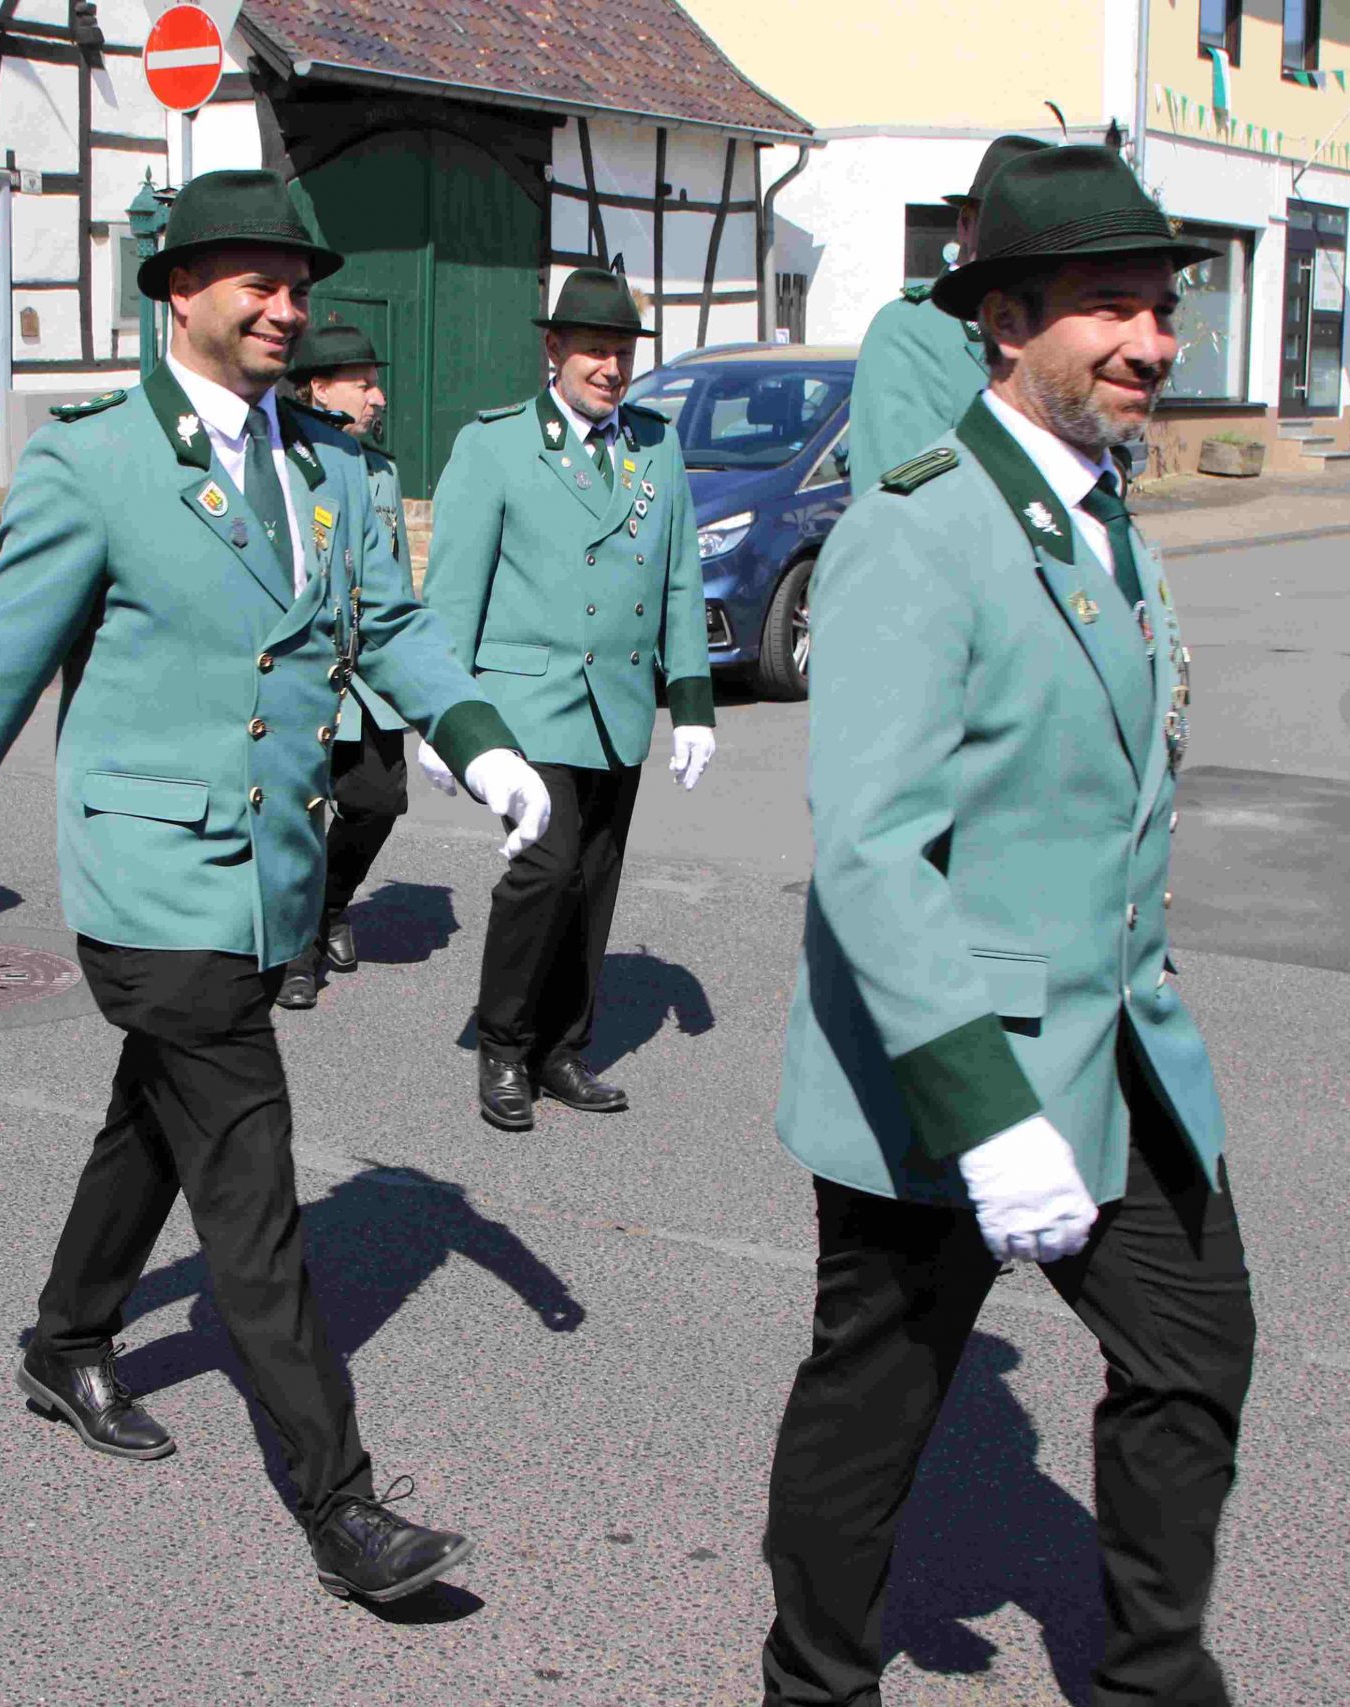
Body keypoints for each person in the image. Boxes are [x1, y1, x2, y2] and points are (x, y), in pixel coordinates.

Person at [0, 170, 551, 1604]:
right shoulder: (95, 463)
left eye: (298, 287)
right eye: (257, 283)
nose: (286, 307)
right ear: (179, 292)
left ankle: (65, 1338)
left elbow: (391, 624)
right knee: (248, 1175)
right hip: (150, 876)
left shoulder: (330, 467)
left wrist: (481, 742)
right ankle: (341, 1504)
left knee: (152, 1120)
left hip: (266, 876)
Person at [758, 147, 1252, 1706]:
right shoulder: (920, 525)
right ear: (1008, 322)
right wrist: (986, 1109)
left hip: (1116, 1042)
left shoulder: (1102, 508)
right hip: (948, 1066)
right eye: (1111, 306)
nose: (1151, 342)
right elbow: (872, 851)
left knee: (1194, 1350)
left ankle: (1154, 1677)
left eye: (1161, 309)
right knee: (874, 1402)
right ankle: (814, 1683)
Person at [420, 267, 717, 1131]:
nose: (611, 367)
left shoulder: (655, 445)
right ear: (553, 349)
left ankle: (561, 1048)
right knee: (544, 871)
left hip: (617, 701)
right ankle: (504, 1044)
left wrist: (692, 704)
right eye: (593, 348)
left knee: (592, 882)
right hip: (526, 703)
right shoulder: (497, 444)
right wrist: (443, 717)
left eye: (622, 351)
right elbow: (454, 589)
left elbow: (679, 580)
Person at [275, 322, 409, 1010]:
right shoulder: (283, 465)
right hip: (301, 670)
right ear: (318, 388)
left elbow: (396, 583)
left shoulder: (380, 471)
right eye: (363, 384)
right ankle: (295, 948)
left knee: (378, 799)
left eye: (375, 383)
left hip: (365, 676)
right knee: (295, 811)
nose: (377, 397)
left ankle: (330, 901)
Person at [849, 134, 1051, 496]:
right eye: (1006, 222)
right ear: (966, 225)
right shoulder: (911, 330)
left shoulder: (1053, 331)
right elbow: (899, 505)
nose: (1025, 243)